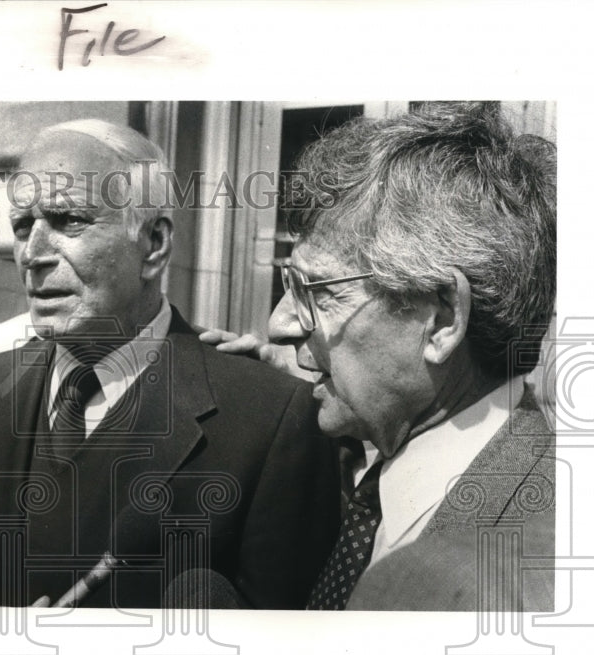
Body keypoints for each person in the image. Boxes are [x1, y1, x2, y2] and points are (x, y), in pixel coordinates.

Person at [0, 120, 341, 609]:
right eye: (21, 226)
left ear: (154, 244)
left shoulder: (271, 417)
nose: (31, 254)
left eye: (68, 220)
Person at [226, 102, 556, 610]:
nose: (279, 323)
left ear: (443, 319)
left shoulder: (506, 584)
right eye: (289, 286)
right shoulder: (369, 477)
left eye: (319, 293)